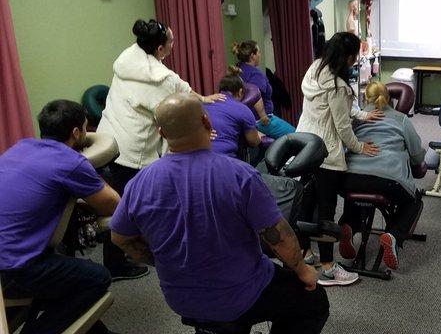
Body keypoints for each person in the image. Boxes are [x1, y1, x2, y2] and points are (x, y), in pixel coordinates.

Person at [110, 93, 329, 334]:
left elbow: (120, 238)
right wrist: (302, 270)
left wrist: (162, 261)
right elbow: (277, 235)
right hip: (241, 295)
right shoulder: (239, 175)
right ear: (207, 122)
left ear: (161, 133)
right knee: (313, 302)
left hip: (180, 299)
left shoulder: (139, 183)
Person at [97, 19, 225, 279]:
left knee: (120, 205)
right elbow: (171, 116)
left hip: (108, 136)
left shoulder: (130, 58)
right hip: (131, 149)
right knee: (128, 208)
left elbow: (178, 85)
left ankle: (126, 254)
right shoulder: (159, 79)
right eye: (171, 42)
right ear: (159, 49)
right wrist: (199, 132)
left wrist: (201, 97)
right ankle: (118, 264)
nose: (174, 45)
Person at [0, 100, 119, 334]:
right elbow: (113, 205)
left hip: (5, 257)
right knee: (97, 278)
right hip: (17, 267)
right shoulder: (71, 162)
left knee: (67, 277)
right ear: (76, 132)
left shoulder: (20, 147)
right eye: (86, 127)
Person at [296, 32, 381, 286]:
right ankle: (329, 268)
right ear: (349, 57)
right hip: (325, 152)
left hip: (304, 144)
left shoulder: (316, 69)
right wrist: (359, 147)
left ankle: (305, 252)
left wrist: (362, 115)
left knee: (305, 202)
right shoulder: (338, 87)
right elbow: (342, 126)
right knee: (326, 210)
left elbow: (337, 106)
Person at [340, 81, 426, 270]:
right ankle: (393, 235)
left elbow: (346, 142)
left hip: (349, 178)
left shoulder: (357, 118)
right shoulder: (401, 119)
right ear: (389, 98)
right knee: (414, 201)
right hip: (387, 179)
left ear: (365, 98)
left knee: (355, 190)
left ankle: (348, 225)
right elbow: (417, 154)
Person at [232, 40, 295, 139]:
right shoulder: (255, 74)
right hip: (260, 121)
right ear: (253, 55)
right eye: (259, 52)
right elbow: (256, 97)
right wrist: (263, 117)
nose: (260, 54)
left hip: (244, 119)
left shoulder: (238, 69)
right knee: (296, 135)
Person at [204, 67, 261, 158]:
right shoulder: (243, 109)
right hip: (224, 160)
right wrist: (259, 135)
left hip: (195, 159)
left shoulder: (202, 104)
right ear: (240, 92)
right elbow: (254, 142)